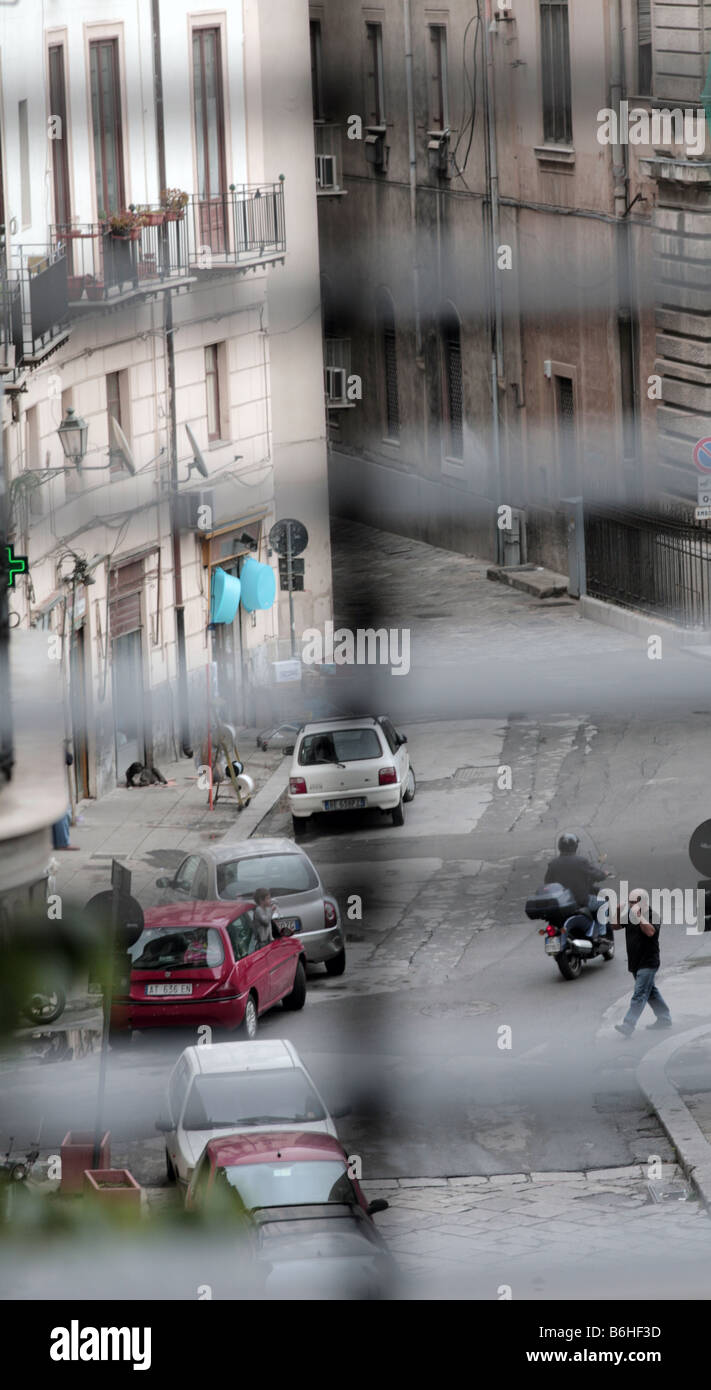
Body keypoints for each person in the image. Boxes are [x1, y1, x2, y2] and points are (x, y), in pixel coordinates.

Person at [611, 890, 672, 1038]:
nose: (632, 904)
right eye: (630, 901)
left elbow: (650, 932)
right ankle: (664, 1019)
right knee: (650, 992)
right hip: (635, 961)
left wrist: (639, 916)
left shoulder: (653, 915)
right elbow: (615, 926)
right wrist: (618, 911)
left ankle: (628, 1024)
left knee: (639, 994)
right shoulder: (630, 916)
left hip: (648, 961)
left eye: (635, 901)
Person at [545, 832, 607, 939]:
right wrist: (604, 874)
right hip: (581, 901)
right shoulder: (580, 861)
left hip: (561, 904)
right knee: (603, 904)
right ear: (575, 846)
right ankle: (603, 935)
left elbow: (547, 882)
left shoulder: (553, 864)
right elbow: (597, 875)